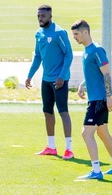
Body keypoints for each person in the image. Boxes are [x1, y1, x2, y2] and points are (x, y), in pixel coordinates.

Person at [71, 20, 112, 179]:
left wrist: (109, 97)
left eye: (76, 34)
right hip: (95, 98)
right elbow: (94, 73)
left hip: (99, 100)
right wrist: (83, 84)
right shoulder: (87, 50)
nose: (74, 37)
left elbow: (106, 74)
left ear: (85, 32)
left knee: (86, 134)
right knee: (102, 133)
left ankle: (96, 170)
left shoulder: (97, 50)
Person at [25, 4, 74, 159]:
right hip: (46, 80)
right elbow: (38, 56)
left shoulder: (59, 32)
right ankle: (51, 146)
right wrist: (30, 75)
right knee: (47, 112)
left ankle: (69, 149)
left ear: (50, 16)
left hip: (59, 80)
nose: (40, 18)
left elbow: (69, 55)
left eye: (43, 16)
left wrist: (61, 75)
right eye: (38, 16)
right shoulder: (38, 34)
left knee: (63, 112)